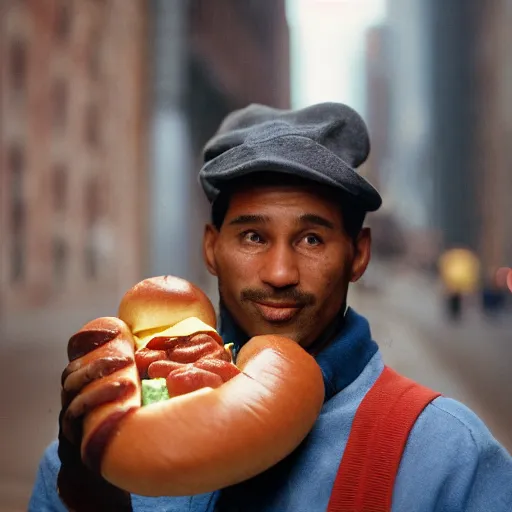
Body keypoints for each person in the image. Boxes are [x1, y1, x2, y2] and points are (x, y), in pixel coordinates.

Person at [29, 102, 512, 511]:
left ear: (358, 254)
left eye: (311, 238)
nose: (280, 273)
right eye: (253, 236)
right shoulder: (92, 453)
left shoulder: (447, 461)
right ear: (211, 248)